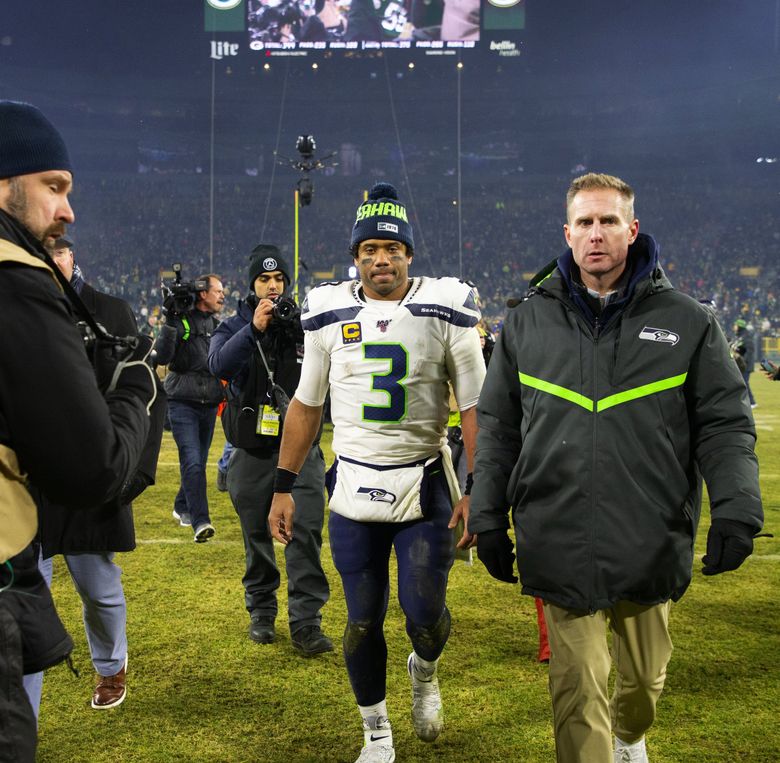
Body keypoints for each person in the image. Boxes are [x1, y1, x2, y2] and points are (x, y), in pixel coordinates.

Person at [468, 172, 763, 763]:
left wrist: (736, 509)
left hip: (648, 535)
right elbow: (497, 428)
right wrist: (489, 515)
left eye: (607, 221)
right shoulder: (526, 323)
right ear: (567, 233)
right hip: (556, 533)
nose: (595, 234)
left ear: (632, 229)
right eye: (584, 222)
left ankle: (631, 738)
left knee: (644, 684)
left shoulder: (688, 320)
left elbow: (724, 423)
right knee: (577, 693)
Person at [268, 183, 486, 763]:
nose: (379, 259)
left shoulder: (447, 308)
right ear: (355, 256)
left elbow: (474, 408)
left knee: (422, 615)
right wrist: (284, 487)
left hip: (427, 482)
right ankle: (376, 731)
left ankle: (425, 672)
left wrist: (481, 489)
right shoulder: (327, 311)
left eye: (390, 248)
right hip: (354, 485)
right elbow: (306, 405)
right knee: (362, 619)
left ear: (409, 254)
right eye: (368, 249)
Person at [0, 100, 156, 761]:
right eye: (54, 187)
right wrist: (132, 391)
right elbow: (93, 465)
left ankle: (109, 664)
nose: (66, 211)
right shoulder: (15, 275)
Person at [22, 236, 165, 714]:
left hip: (88, 474)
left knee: (98, 587)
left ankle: (110, 667)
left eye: (59, 252)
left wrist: (133, 472)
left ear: (72, 256)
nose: (52, 261)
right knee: (24, 598)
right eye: (43, 254)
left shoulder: (111, 311)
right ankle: (24, 712)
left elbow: (143, 394)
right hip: (30, 481)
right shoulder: (20, 307)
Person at [208, 246, 332, 655]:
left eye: (279, 279)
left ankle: (306, 622)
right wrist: (254, 331)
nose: (273, 286)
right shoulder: (234, 325)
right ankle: (261, 612)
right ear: (252, 286)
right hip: (252, 452)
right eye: (265, 280)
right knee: (256, 536)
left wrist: (298, 329)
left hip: (301, 454)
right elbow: (218, 366)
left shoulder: (303, 324)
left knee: (306, 534)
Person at [154, 273, 225, 542]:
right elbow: (163, 356)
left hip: (208, 403)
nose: (222, 296)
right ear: (203, 294)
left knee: (198, 462)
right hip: (182, 401)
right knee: (193, 461)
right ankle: (201, 521)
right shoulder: (181, 321)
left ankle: (182, 505)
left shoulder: (218, 325)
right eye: (218, 291)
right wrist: (170, 323)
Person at [730, 318, 757, 408]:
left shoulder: (746, 337)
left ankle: (752, 402)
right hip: (741, 365)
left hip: (745, 365)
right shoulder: (739, 336)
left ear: (739, 326)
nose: (734, 327)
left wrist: (743, 361)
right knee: (741, 383)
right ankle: (745, 401)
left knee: (744, 383)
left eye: (736, 325)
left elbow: (750, 351)